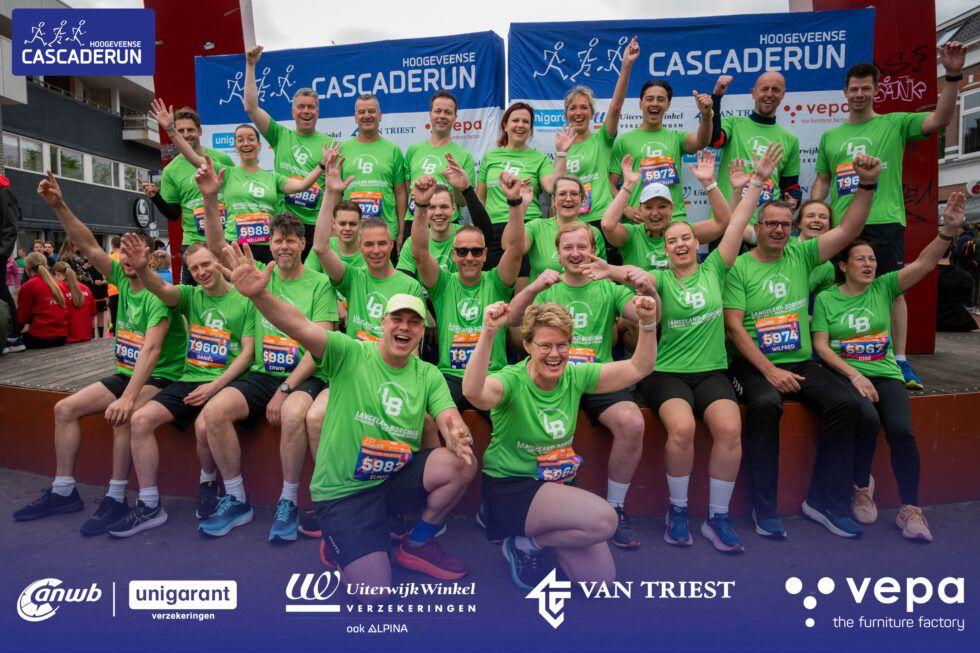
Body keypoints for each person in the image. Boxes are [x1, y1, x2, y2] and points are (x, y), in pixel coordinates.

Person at [223, 239, 476, 590]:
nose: (404, 327)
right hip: (344, 495)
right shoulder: (349, 353)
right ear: (383, 322)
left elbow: (448, 416)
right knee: (375, 591)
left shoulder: (427, 373)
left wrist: (457, 433)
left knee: (461, 463)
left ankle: (417, 542)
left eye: (414, 322)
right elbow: (300, 326)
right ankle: (341, 539)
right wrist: (260, 296)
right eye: (397, 319)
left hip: (390, 481)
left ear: (422, 331)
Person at [13, 173, 186, 536]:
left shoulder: (158, 294)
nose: (128, 258)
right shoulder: (120, 276)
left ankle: (116, 496)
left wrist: (128, 398)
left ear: (148, 258)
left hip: (160, 376)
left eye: (137, 252)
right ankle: (64, 491)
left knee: (123, 416)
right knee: (64, 409)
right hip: (126, 373)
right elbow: (87, 243)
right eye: (125, 252)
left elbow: (152, 349)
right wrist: (59, 205)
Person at [630, 144, 783, 553]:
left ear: (695, 242)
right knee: (681, 430)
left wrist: (757, 181)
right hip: (667, 373)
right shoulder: (660, 279)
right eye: (672, 240)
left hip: (712, 372)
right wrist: (611, 270)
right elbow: (632, 276)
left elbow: (737, 223)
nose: (680, 243)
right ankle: (678, 511)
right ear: (665, 249)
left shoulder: (715, 267)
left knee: (730, 431)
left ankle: (718, 518)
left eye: (686, 237)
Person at [723, 153, 881, 540]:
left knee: (845, 404)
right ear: (757, 227)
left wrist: (867, 184)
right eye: (771, 224)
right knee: (765, 405)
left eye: (784, 224)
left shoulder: (801, 253)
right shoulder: (740, 267)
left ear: (792, 228)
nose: (778, 230)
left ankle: (824, 502)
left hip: (800, 362)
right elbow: (733, 326)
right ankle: (764, 508)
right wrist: (769, 370)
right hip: (753, 365)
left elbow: (849, 229)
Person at [462, 297, 658, 589]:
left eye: (562, 345)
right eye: (545, 345)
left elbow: (639, 367)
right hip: (514, 486)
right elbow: (473, 392)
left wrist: (648, 322)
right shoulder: (512, 381)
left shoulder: (575, 376)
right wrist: (488, 332)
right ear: (527, 345)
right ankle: (521, 542)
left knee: (599, 579)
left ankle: (532, 540)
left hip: (558, 483)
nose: (554, 354)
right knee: (605, 521)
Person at [195, 155, 338, 542]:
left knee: (292, 414)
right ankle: (236, 498)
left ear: (303, 243)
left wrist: (287, 388)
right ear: (269, 245)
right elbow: (216, 246)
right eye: (278, 240)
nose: (284, 246)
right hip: (262, 374)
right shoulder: (258, 275)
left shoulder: (319, 284)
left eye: (291, 240)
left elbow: (319, 348)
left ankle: (288, 501)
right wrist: (210, 199)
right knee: (214, 412)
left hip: (305, 377)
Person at [812, 192, 966, 543]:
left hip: (885, 373)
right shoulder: (827, 298)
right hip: (846, 374)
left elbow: (924, 264)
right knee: (865, 417)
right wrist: (854, 374)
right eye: (860, 259)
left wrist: (947, 232)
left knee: (901, 431)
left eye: (872, 259)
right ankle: (860, 487)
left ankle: (910, 509)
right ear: (843, 266)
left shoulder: (883, 287)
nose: (869, 264)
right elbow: (820, 346)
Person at [812, 42, 967, 390]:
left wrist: (953, 75)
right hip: (841, 227)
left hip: (883, 222)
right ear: (845, 92)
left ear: (876, 90)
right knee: (836, 289)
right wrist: (814, 211)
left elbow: (941, 118)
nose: (859, 94)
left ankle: (899, 360)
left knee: (894, 290)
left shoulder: (895, 123)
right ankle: (841, 356)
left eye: (866, 88)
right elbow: (823, 179)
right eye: (854, 89)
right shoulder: (830, 136)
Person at [508, 220, 655, 549]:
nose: (575, 253)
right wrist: (532, 288)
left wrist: (629, 282)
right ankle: (521, 503)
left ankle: (616, 508)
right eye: (568, 248)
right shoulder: (548, 287)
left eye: (582, 247)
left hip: (597, 376)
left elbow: (644, 313)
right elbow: (513, 319)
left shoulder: (608, 287)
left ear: (594, 250)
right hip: (555, 378)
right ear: (557, 253)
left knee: (632, 422)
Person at [106, 237, 256, 537]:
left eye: (206, 264)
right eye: (194, 268)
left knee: (203, 426)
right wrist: (143, 268)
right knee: (139, 420)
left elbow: (248, 353)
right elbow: (162, 289)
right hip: (190, 378)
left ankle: (209, 483)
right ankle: (150, 505)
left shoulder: (244, 299)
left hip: (227, 380)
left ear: (218, 262)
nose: (201, 272)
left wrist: (214, 386)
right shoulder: (190, 295)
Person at [153, 100, 329, 264]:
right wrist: (170, 129)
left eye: (251, 139)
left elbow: (302, 185)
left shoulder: (273, 178)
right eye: (240, 140)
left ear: (259, 145)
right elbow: (192, 157)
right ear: (235, 147)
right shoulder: (226, 172)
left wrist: (321, 165)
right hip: (235, 246)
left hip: (267, 248)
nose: (246, 143)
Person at [410, 173, 521, 415]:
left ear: (485, 254)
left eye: (475, 252)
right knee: (428, 418)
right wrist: (421, 206)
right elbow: (419, 252)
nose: (469, 257)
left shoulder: (497, 282)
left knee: (512, 422)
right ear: (453, 255)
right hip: (451, 377)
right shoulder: (442, 284)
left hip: (492, 376)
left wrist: (515, 203)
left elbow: (514, 250)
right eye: (462, 252)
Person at [244, 46, 334, 258]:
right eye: (301, 107)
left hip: (314, 226)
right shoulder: (279, 135)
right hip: (283, 222)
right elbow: (251, 107)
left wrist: (332, 225)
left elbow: (335, 190)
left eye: (311, 107)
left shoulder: (331, 144)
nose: (306, 111)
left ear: (318, 112)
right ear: (293, 112)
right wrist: (251, 65)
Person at [147, 105, 236, 284]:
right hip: (193, 243)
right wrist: (156, 197)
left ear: (200, 131)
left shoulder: (221, 159)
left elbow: (235, 194)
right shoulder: (171, 170)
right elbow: (173, 214)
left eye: (190, 130)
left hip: (224, 240)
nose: (186, 134)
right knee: (193, 297)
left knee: (232, 293)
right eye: (180, 131)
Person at [602, 152, 732, 272]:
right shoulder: (632, 234)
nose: (655, 213)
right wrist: (628, 185)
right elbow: (607, 225)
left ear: (672, 208)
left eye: (662, 206)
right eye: (648, 207)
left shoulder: (683, 232)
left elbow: (723, 222)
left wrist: (708, 182)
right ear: (640, 209)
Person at [609, 79, 716, 220]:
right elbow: (610, 184)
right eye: (649, 99)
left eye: (660, 99)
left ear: (668, 105)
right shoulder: (624, 140)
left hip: (674, 218)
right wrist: (625, 208)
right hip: (638, 220)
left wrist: (706, 116)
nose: (655, 103)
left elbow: (701, 141)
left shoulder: (676, 138)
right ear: (641, 104)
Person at [563, 37, 639, 227]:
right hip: (573, 223)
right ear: (566, 115)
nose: (578, 113)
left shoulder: (602, 139)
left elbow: (615, 107)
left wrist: (626, 66)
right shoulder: (561, 150)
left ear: (592, 113)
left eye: (584, 107)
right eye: (572, 108)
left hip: (602, 218)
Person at [477, 102, 565, 265]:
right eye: (515, 120)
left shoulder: (539, 158)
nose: (520, 125)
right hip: (493, 227)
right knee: (493, 279)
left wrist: (561, 153)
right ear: (505, 125)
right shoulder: (490, 157)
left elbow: (553, 187)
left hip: (527, 225)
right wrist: (481, 230)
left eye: (526, 122)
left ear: (531, 128)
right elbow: (480, 200)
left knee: (523, 279)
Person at [711, 71, 802, 227]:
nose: (769, 94)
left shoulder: (790, 139)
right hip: (727, 221)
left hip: (766, 226)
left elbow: (790, 185)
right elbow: (715, 141)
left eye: (775, 90)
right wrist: (716, 97)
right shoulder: (733, 123)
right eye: (764, 89)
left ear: (783, 94)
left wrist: (794, 198)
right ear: (753, 93)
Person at [401, 91, 477, 243]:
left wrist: (456, 186)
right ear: (430, 114)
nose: (442, 116)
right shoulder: (413, 150)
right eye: (438, 111)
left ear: (455, 117)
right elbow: (407, 191)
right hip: (414, 221)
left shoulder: (464, 156)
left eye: (448, 112)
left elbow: (462, 202)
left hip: (446, 224)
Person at [340, 94, 408, 248]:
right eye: (361, 112)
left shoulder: (393, 150)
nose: (367, 116)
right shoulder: (343, 149)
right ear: (355, 117)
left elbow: (400, 193)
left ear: (380, 115)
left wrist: (401, 231)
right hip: (352, 233)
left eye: (371, 111)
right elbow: (336, 193)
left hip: (386, 233)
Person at [17, 252, 68, 348]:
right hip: (61, 337)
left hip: (40, 338)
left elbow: (21, 317)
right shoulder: (57, 284)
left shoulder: (29, 285)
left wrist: (14, 334)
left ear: (27, 268)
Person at [53, 260, 96, 343]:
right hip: (87, 336)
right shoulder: (85, 288)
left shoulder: (57, 288)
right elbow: (93, 313)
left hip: (67, 339)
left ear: (57, 274)